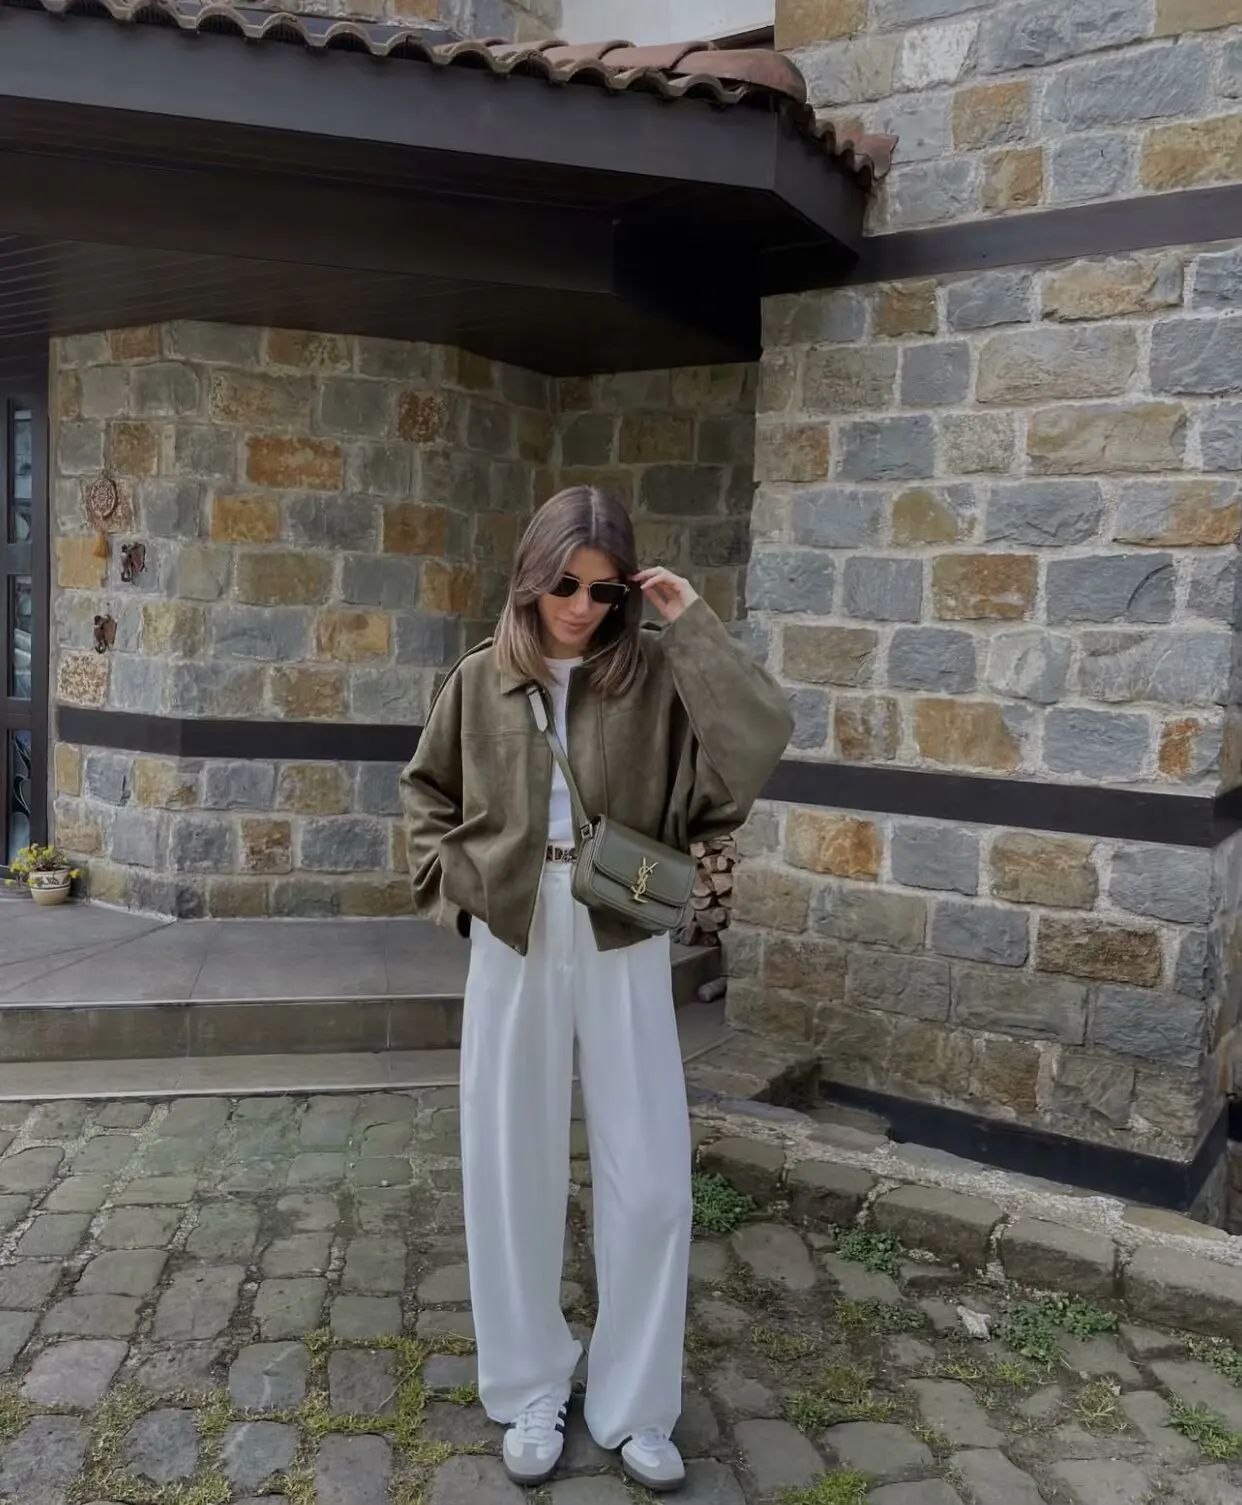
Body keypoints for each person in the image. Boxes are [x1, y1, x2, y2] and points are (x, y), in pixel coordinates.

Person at [399, 485, 793, 1493]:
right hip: (516, 931)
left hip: (621, 918)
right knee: (510, 1166)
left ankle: (637, 1403)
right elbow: (426, 794)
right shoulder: (481, 678)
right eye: (565, 585)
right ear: (532, 577)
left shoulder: (654, 674)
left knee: (652, 1179)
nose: (582, 607)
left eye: (605, 590)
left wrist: (690, 624)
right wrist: (459, 893)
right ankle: (531, 1381)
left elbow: (755, 743)